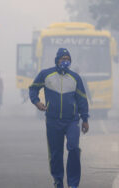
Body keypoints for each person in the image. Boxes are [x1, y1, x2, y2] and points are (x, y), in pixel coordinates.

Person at [29, 48, 89, 188]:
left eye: (67, 59)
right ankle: (58, 180)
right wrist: (37, 102)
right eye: (63, 59)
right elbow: (33, 88)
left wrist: (85, 119)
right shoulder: (46, 74)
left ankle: (73, 184)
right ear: (57, 60)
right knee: (56, 154)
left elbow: (82, 99)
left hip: (72, 120)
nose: (65, 61)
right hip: (53, 120)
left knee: (73, 148)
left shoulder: (75, 78)